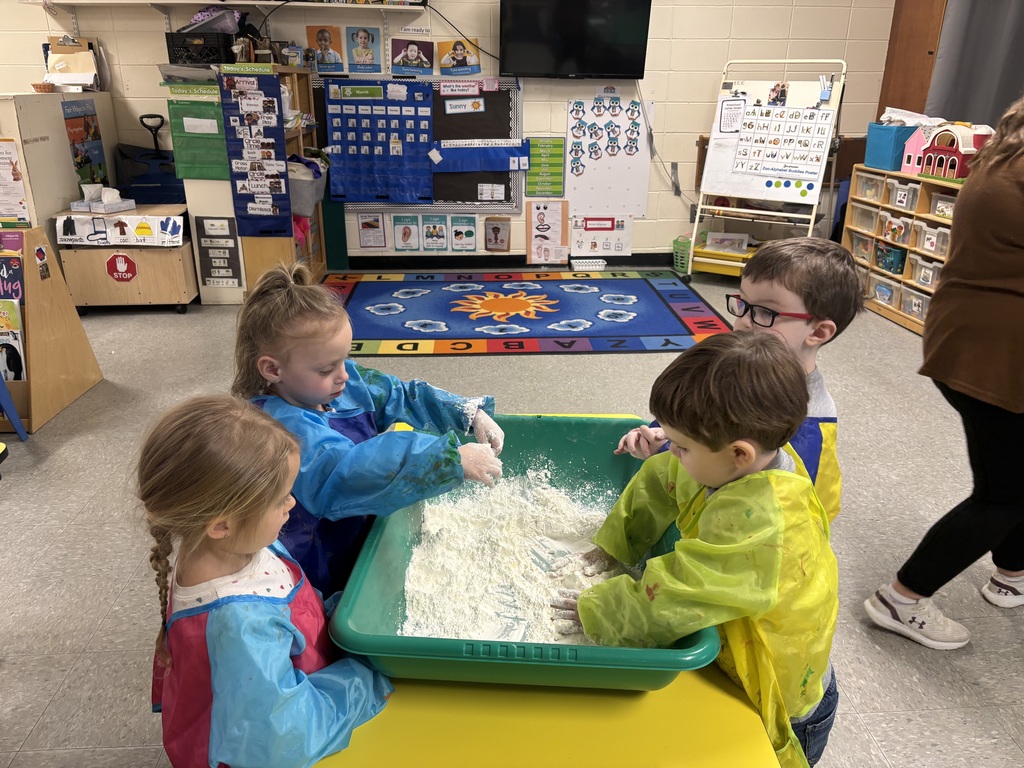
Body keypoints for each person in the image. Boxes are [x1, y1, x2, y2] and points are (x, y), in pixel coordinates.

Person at [555, 333, 839, 768]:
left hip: (779, 692)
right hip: (737, 648)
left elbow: (677, 594)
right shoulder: (730, 463)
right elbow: (661, 478)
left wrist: (597, 609)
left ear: (739, 453)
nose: (672, 450)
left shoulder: (763, 525)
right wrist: (613, 546)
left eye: (682, 445)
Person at [143, 395, 392, 768]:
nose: (292, 504)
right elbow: (286, 738)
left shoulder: (224, 546)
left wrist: (344, 610)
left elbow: (292, 611)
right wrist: (366, 675)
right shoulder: (240, 628)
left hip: (259, 702)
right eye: (280, 500)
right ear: (221, 524)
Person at [232, 263, 504, 594]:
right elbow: (347, 469)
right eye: (326, 368)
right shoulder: (276, 430)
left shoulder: (338, 383)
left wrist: (466, 413)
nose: (344, 375)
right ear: (273, 369)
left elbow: (400, 395)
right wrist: (447, 459)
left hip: (363, 521)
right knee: (345, 605)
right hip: (326, 553)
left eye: (345, 359)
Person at [864, 94, 1024, 650]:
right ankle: (902, 599)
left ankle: (1010, 571)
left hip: (969, 338)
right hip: (999, 356)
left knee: (1012, 476)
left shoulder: (1004, 156)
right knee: (1005, 491)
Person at [616, 237, 863, 522]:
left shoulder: (808, 428)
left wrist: (670, 450)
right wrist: (663, 433)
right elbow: (700, 408)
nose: (744, 321)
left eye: (765, 312)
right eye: (743, 304)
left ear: (818, 333)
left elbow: (768, 511)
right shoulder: (735, 365)